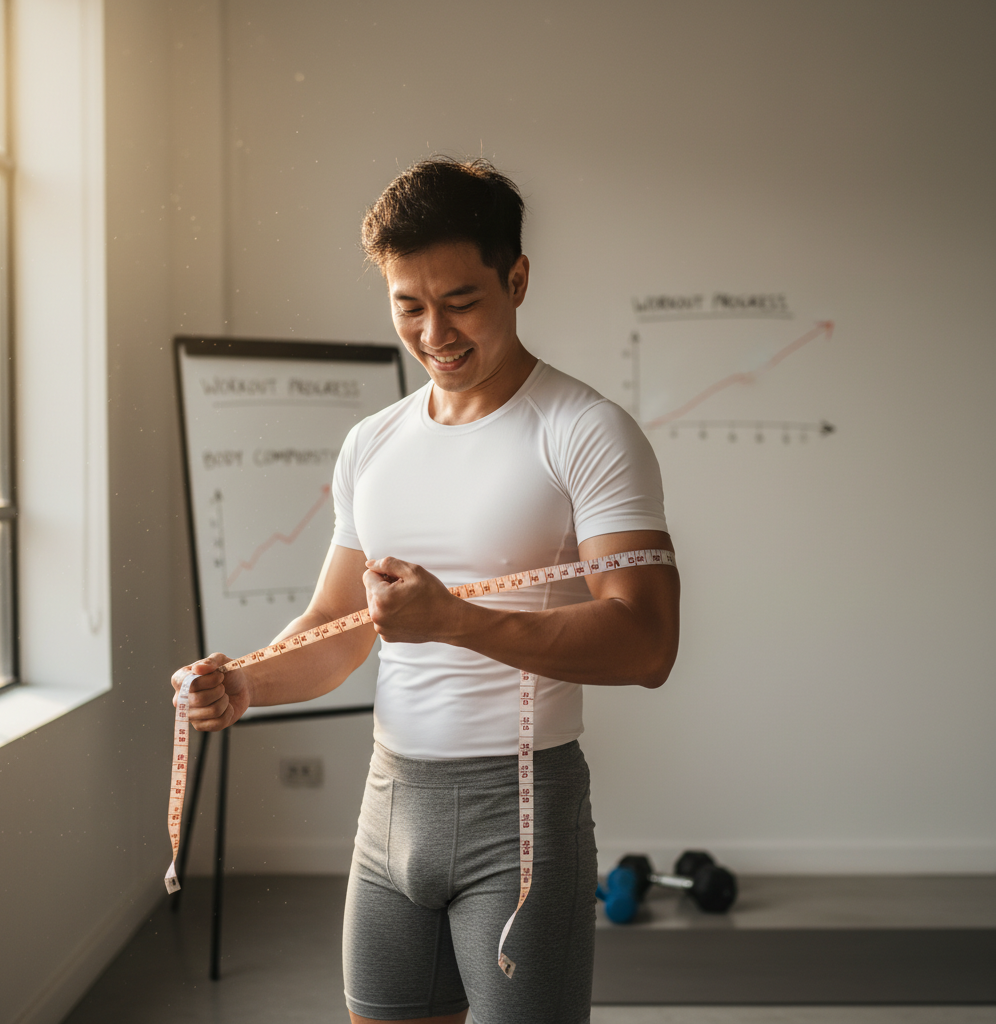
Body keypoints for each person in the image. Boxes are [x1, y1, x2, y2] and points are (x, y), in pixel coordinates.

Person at [171, 157, 680, 1024]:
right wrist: (249, 683)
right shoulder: (372, 443)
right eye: (409, 304)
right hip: (388, 808)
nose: (433, 331)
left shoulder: (586, 432)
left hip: (522, 812)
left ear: (516, 279)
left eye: (461, 301)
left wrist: (454, 620)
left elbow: (647, 644)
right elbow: (337, 624)